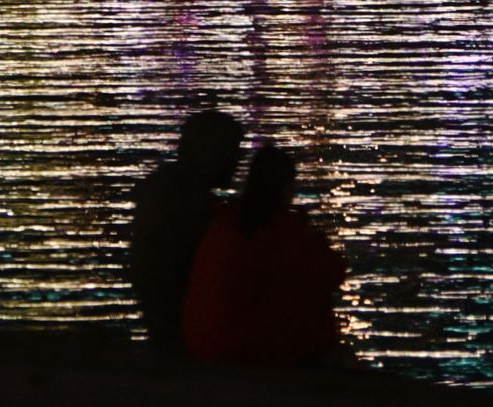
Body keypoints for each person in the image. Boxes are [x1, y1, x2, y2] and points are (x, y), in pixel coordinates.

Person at [183, 142, 345, 366]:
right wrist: (309, 234)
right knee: (312, 294)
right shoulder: (275, 228)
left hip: (201, 339)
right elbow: (331, 272)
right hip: (235, 346)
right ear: (284, 187)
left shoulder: (225, 222)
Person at [122, 108, 243, 347]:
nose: (238, 162)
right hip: (183, 324)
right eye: (233, 152)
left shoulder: (166, 194)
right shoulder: (194, 209)